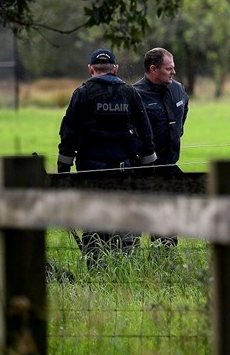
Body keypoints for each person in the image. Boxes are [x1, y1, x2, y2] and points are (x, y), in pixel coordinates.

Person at [57, 48, 157, 268]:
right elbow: (145, 133)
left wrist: (63, 170)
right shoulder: (130, 93)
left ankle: (97, 269)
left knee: (94, 224)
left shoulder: (82, 93)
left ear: (91, 69)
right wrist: (150, 170)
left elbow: (69, 133)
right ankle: (124, 269)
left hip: (91, 172)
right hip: (125, 171)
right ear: (116, 69)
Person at [133, 47, 189, 248]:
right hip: (142, 170)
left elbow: (184, 112)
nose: (173, 72)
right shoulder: (135, 95)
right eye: (168, 68)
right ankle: (130, 262)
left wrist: (175, 133)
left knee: (168, 220)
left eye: (173, 68)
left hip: (169, 165)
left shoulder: (178, 89)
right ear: (153, 69)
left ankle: (165, 259)